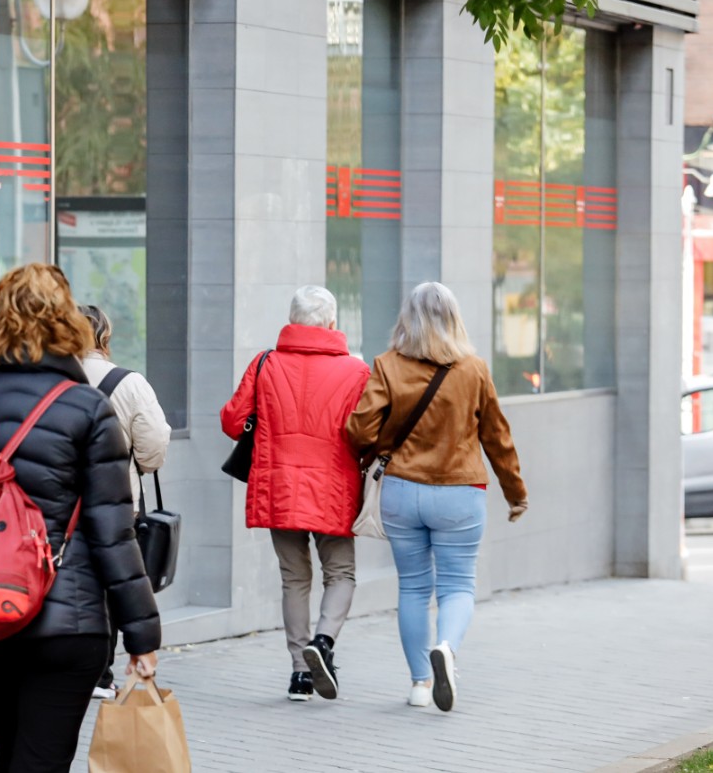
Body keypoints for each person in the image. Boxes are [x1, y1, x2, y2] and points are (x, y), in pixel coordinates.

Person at [0, 263, 160, 772]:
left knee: (13, 754)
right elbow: (113, 530)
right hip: (69, 623)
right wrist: (142, 634)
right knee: (39, 760)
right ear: (68, 324)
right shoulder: (88, 410)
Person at [346, 281, 528, 713]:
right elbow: (497, 438)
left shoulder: (387, 365)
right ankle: (446, 647)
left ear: (407, 318)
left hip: (403, 491)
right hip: (459, 493)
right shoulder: (474, 369)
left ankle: (419, 685)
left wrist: (383, 448)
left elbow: (359, 429)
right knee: (457, 586)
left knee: (412, 587)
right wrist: (515, 493)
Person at [219, 286, 371, 703]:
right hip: (333, 489)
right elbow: (368, 434)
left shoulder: (265, 362)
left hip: (279, 486)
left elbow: (233, 423)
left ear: (292, 320)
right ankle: (322, 643)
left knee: (294, 578)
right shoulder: (357, 373)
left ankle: (300, 675)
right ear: (333, 324)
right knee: (340, 574)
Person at [76, 303, 171, 698]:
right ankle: (100, 674)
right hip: (117, 504)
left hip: (59, 507)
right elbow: (154, 445)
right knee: (113, 584)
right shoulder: (129, 383)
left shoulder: (48, 378)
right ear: (104, 337)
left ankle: (67, 669)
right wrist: (137, 466)